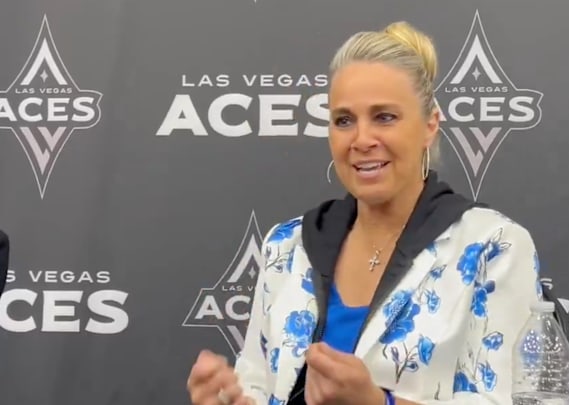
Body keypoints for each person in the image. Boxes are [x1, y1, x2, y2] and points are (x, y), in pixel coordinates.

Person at [187, 20, 541, 405]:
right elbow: (257, 384)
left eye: (384, 117)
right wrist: (228, 400)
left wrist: (378, 403)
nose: (362, 139)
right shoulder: (288, 246)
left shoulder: (493, 247)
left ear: (430, 126)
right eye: (344, 120)